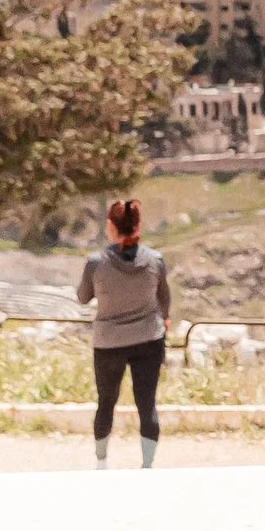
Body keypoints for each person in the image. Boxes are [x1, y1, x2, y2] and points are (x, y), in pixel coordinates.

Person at [80, 199, 171, 470]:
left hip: (108, 341)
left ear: (110, 226)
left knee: (106, 401)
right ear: (138, 226)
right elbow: (164, 300)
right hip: (148, 339)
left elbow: (83, 297)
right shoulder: (155, 261)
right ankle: (147, 465)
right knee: (147, 404)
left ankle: (101, 462)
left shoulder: (96, 263)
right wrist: (162, 320)